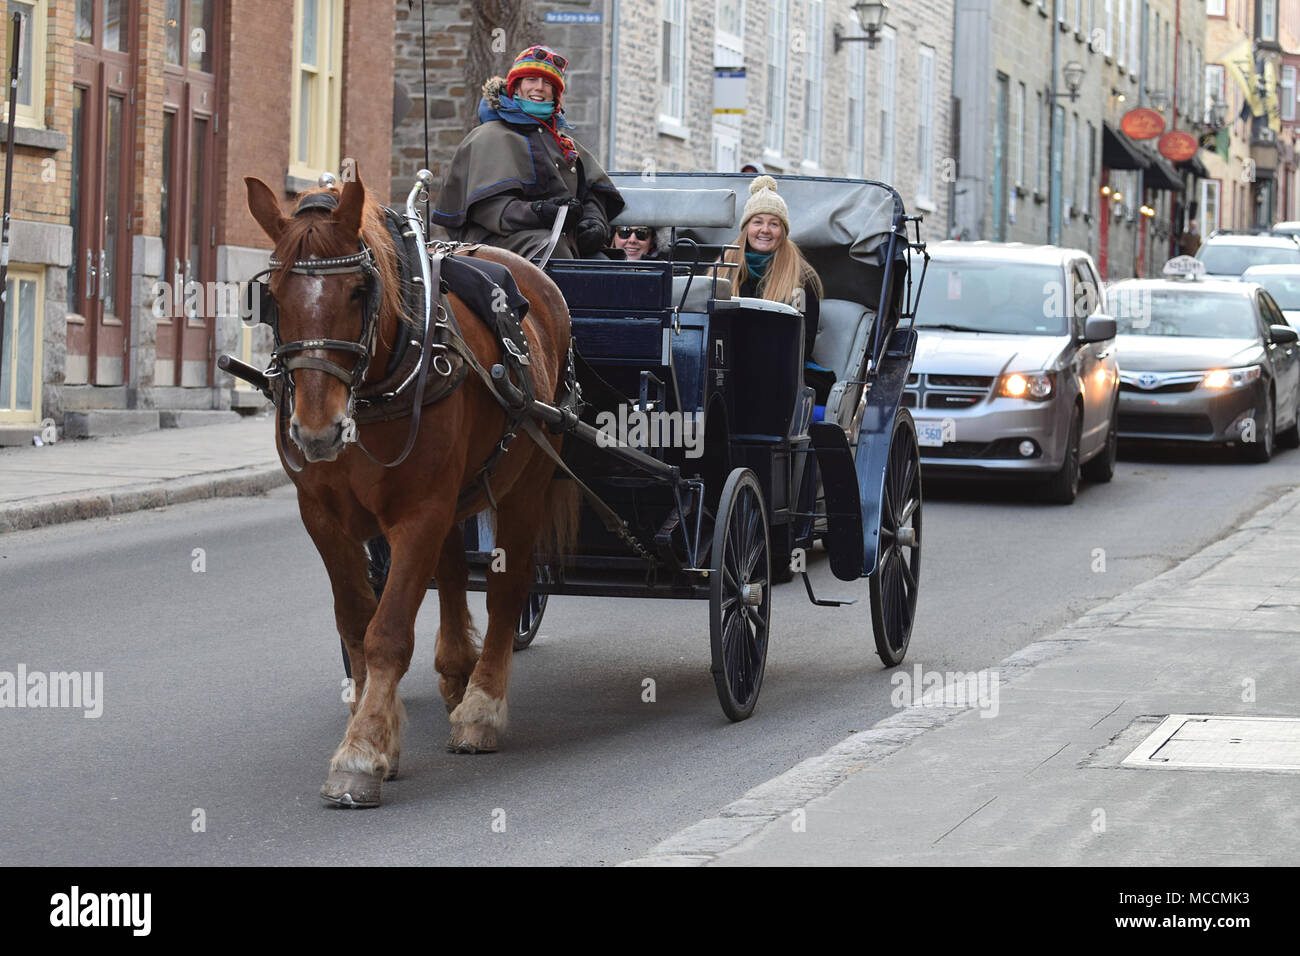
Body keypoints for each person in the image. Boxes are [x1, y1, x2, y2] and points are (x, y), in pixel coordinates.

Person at [433, 45, 624, 259]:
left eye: (548, 83)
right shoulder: (489, 136)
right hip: (493, 243)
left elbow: (591, 194)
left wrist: (593, 222)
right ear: (516, 88)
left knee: (606, 266)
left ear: (555, 94)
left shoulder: (563, 143)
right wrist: (540, 212)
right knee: (553, 251)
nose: (540, 88)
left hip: (559, 238)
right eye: (531, 80)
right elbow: (490, 211)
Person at [720, 176, 831, 405]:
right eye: (757, 221)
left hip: (782, 366)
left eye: (774, 223)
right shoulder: (723, 269)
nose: (765, 230)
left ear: (783, 230)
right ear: (746, 227)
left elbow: (803, 341)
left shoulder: (801, 278)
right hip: (727, 362)